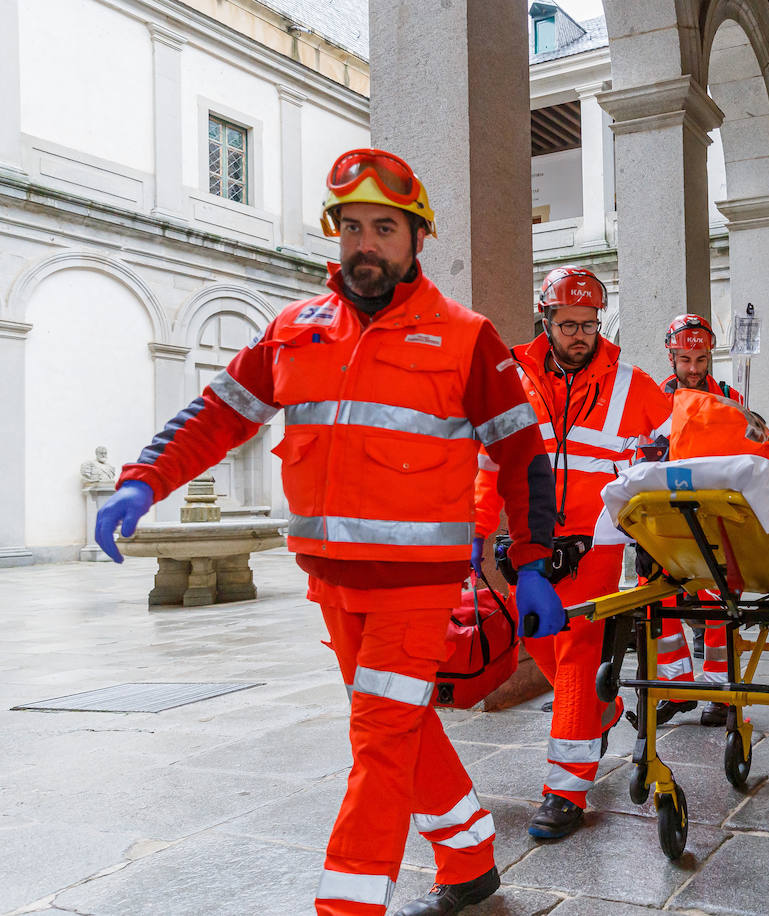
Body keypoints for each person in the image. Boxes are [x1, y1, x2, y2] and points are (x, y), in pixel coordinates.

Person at [94, 149, 559, 916]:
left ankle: (348, 906)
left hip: (417, 588)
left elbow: (521, 456)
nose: (365, 243)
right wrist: (145, 478)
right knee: (399, 725)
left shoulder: (466, 337)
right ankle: (470, 853)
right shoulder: (294, 330)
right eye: (351, 228)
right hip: (333, 584)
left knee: (377, 745)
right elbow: (217, 415)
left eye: (383, 227)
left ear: (417, 239)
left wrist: (532, 558)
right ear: (335, 234)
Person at [474, 265, 671, 841]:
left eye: (589, 324)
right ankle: (600, 716)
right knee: (542, 645)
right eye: (568, 323)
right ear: (547, 318)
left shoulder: (634, 385)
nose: (580, 334)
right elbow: (488, 461)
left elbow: (675, 450)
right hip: (526, 548)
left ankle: (566, 789)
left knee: (578, 657)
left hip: (597, 546)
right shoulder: (509, 374)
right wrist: (478, 532)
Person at [655, 313, 739, 727]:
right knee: (657, 598)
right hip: (665, 516)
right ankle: (676, 687)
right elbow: (640, 461)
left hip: (712, 515)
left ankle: (720, 691)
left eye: (700, 360)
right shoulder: (654, 399)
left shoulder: (728, 396)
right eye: (685, 359)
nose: (693, 369)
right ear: (671, 356)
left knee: (718, 600)